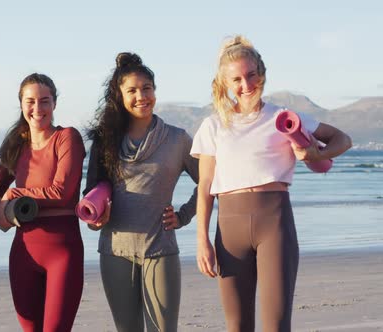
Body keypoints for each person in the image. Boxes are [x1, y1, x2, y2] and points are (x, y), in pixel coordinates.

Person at [191, 35, 352, 332]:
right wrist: (201, 240)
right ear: (225, 83)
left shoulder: (282, 117)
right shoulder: (212, 126)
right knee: (237, 326)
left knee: (276, 325)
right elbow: (204, 187)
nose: (246, 84)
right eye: (237, 79)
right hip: (229, 231)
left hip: (274, 224)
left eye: (251, 75)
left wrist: (317, 152)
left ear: (262, 73)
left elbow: (343, 139)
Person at [84, 52, 199, 332]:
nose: (141, 96)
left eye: (146, 88)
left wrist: (184, 216)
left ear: (155, 91)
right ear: (120, 96)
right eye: (132, 90)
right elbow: (91, 196)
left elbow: (210, 181)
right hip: (115, 252)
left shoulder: (177, 139)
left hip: (160, 249)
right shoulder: (105, 140)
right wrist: (94, 218)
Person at [0, 73, 86, 331]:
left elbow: (62, 193)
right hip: (23, 251)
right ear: (21, 104)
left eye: (44, 101)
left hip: (63, 252)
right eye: (30, 101)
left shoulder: (67, 138)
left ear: (54, 103)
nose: (37, 108)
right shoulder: (16, 146)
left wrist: (15, 195)